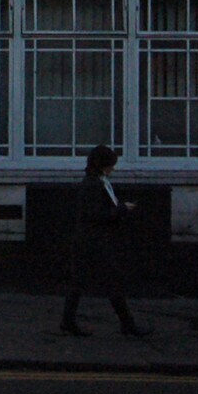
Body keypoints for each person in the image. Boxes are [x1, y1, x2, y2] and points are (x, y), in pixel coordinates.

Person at [59, 144, 149, 337]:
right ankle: (127, 325)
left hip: (89, 240)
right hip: (94, 242)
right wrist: (122, 209)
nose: (113, 169)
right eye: (111, 165)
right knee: (111, 281)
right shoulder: (94, 184)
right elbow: (95, 214)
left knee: (80, 282)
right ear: (103, 165)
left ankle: (68, 321)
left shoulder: (95, 182)